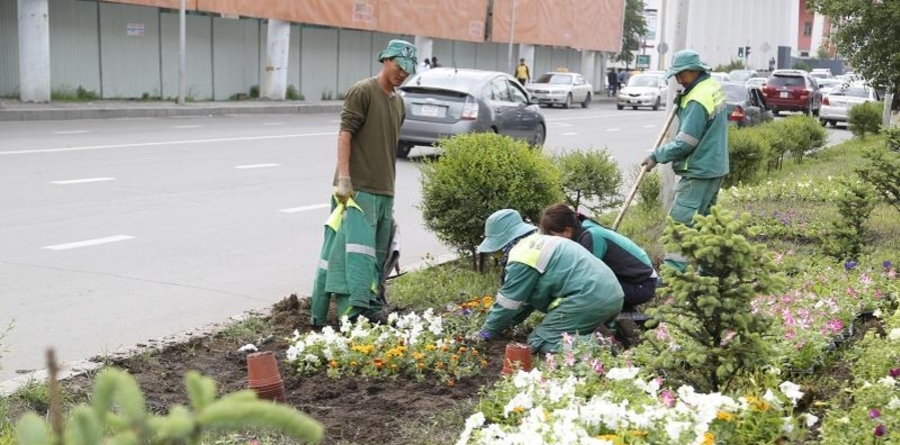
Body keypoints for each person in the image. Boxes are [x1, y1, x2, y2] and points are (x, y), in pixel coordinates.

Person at [311, 39, 417, 326]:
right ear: (385, 60)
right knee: (352, 256)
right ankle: (349, 316)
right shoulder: (363, 91)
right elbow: (345, 133)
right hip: (358, 189)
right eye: (399, 67)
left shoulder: (398, 102)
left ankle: (369, 307)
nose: (402, 74)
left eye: (407, 70)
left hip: (384, 190)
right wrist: (344, 178)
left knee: (375, 256)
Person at [474, 209, 624, 354]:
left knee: (540, 341)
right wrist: (508, 324)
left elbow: (508, 302)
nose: (496, 256)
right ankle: (610, 331)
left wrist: (485, 333)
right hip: (613, 295)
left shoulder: (521, 255)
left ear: (502, 243)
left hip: (588, 298)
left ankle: (601, 345)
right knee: (563, 333)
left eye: (496, 251)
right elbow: (526, 301)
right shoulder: (544, 241)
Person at [641, 49, 729, 273]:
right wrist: (682, 101)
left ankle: (673, 276)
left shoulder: (697, 100)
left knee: (679, 225)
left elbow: (686, 142)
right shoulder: (709, 87)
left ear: (695, 70)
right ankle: (710, 273)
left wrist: (656, 156)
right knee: (706, 222)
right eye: (676, 75)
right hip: (715, 166)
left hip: (697, 170)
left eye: (682, 74)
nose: (679, 79)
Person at [539, 204, 658, 312]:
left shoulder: (591, 236)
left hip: (642, 285)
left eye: (554, 236)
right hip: (630, 280)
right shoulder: (583, 230)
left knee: (586, 294)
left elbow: (587, 278)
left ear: (567, 231)